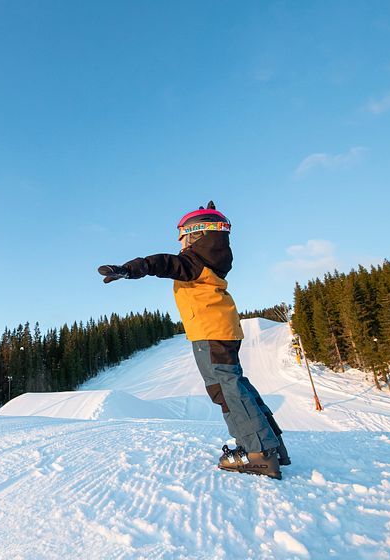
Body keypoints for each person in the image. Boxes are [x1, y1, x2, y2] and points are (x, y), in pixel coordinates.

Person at [98, 201, 290, 480]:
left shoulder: (194, 262)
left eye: (185, 237)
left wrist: (130, 269)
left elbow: (163, 263)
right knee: (233, 386)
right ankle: (270, 446)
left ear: (198, 234)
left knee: (227, 389)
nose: (182, 243)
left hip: (209, 332)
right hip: (220, 329)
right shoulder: (212, 259)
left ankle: (259, 454)